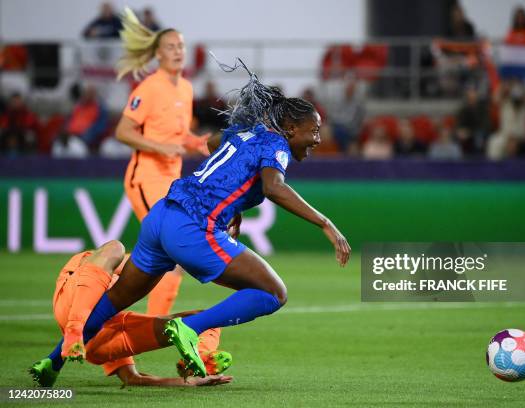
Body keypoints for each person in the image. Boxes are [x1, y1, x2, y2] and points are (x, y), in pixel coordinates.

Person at [56, 57, 351, 378]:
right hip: (192, 225)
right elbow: (273, 187)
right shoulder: (276, 144)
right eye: (314, 131)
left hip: (162, 215)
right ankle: (188, 328)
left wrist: (231, 203)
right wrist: (326, 223)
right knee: (274, 293)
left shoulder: (246, 133)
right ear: (291, 129)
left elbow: (213, 144)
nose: (318, 139)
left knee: (116, 299)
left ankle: (52, 362)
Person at [111, 8, 210, 333]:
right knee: (173, 250)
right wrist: (160, 147)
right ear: (156, 54)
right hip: (145, 178)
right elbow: (124, 131)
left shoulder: (185, 88)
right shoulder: (149, 89)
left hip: (170, 181)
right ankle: (148, 324)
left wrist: (195, 143)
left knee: (167, 257)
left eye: (181, 45)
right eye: (170, 46)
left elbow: (175, 134)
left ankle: (141, 318)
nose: (178, 51)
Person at [29, 241, 233, 387]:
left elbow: (132, 378)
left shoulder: (106, 274)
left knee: (206, 319)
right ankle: (75, 330)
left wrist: (187, 383)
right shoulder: (88, 262)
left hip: (98, 336)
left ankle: (198, 361)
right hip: (72, 307)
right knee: (116, 249)